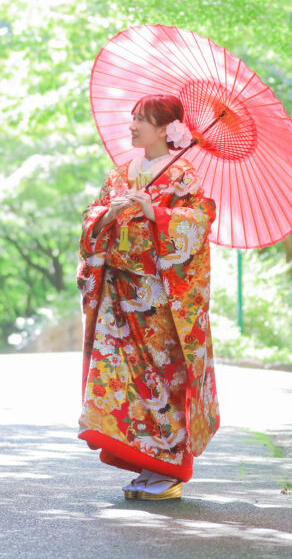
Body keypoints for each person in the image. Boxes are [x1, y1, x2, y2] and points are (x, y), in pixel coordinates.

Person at [77, 94, 219, 500]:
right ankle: (145, 462)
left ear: (164, 129)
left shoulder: (183, 177)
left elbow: (197, 223)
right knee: (124, 377)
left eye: (141, 119)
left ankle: (169, 468)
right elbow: (91, 219)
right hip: (120, 299)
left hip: (161, 304)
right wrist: (107, 215)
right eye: (133, 116)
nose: (132, 124)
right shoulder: (120, 175)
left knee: (164, 378)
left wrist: (157, 214)